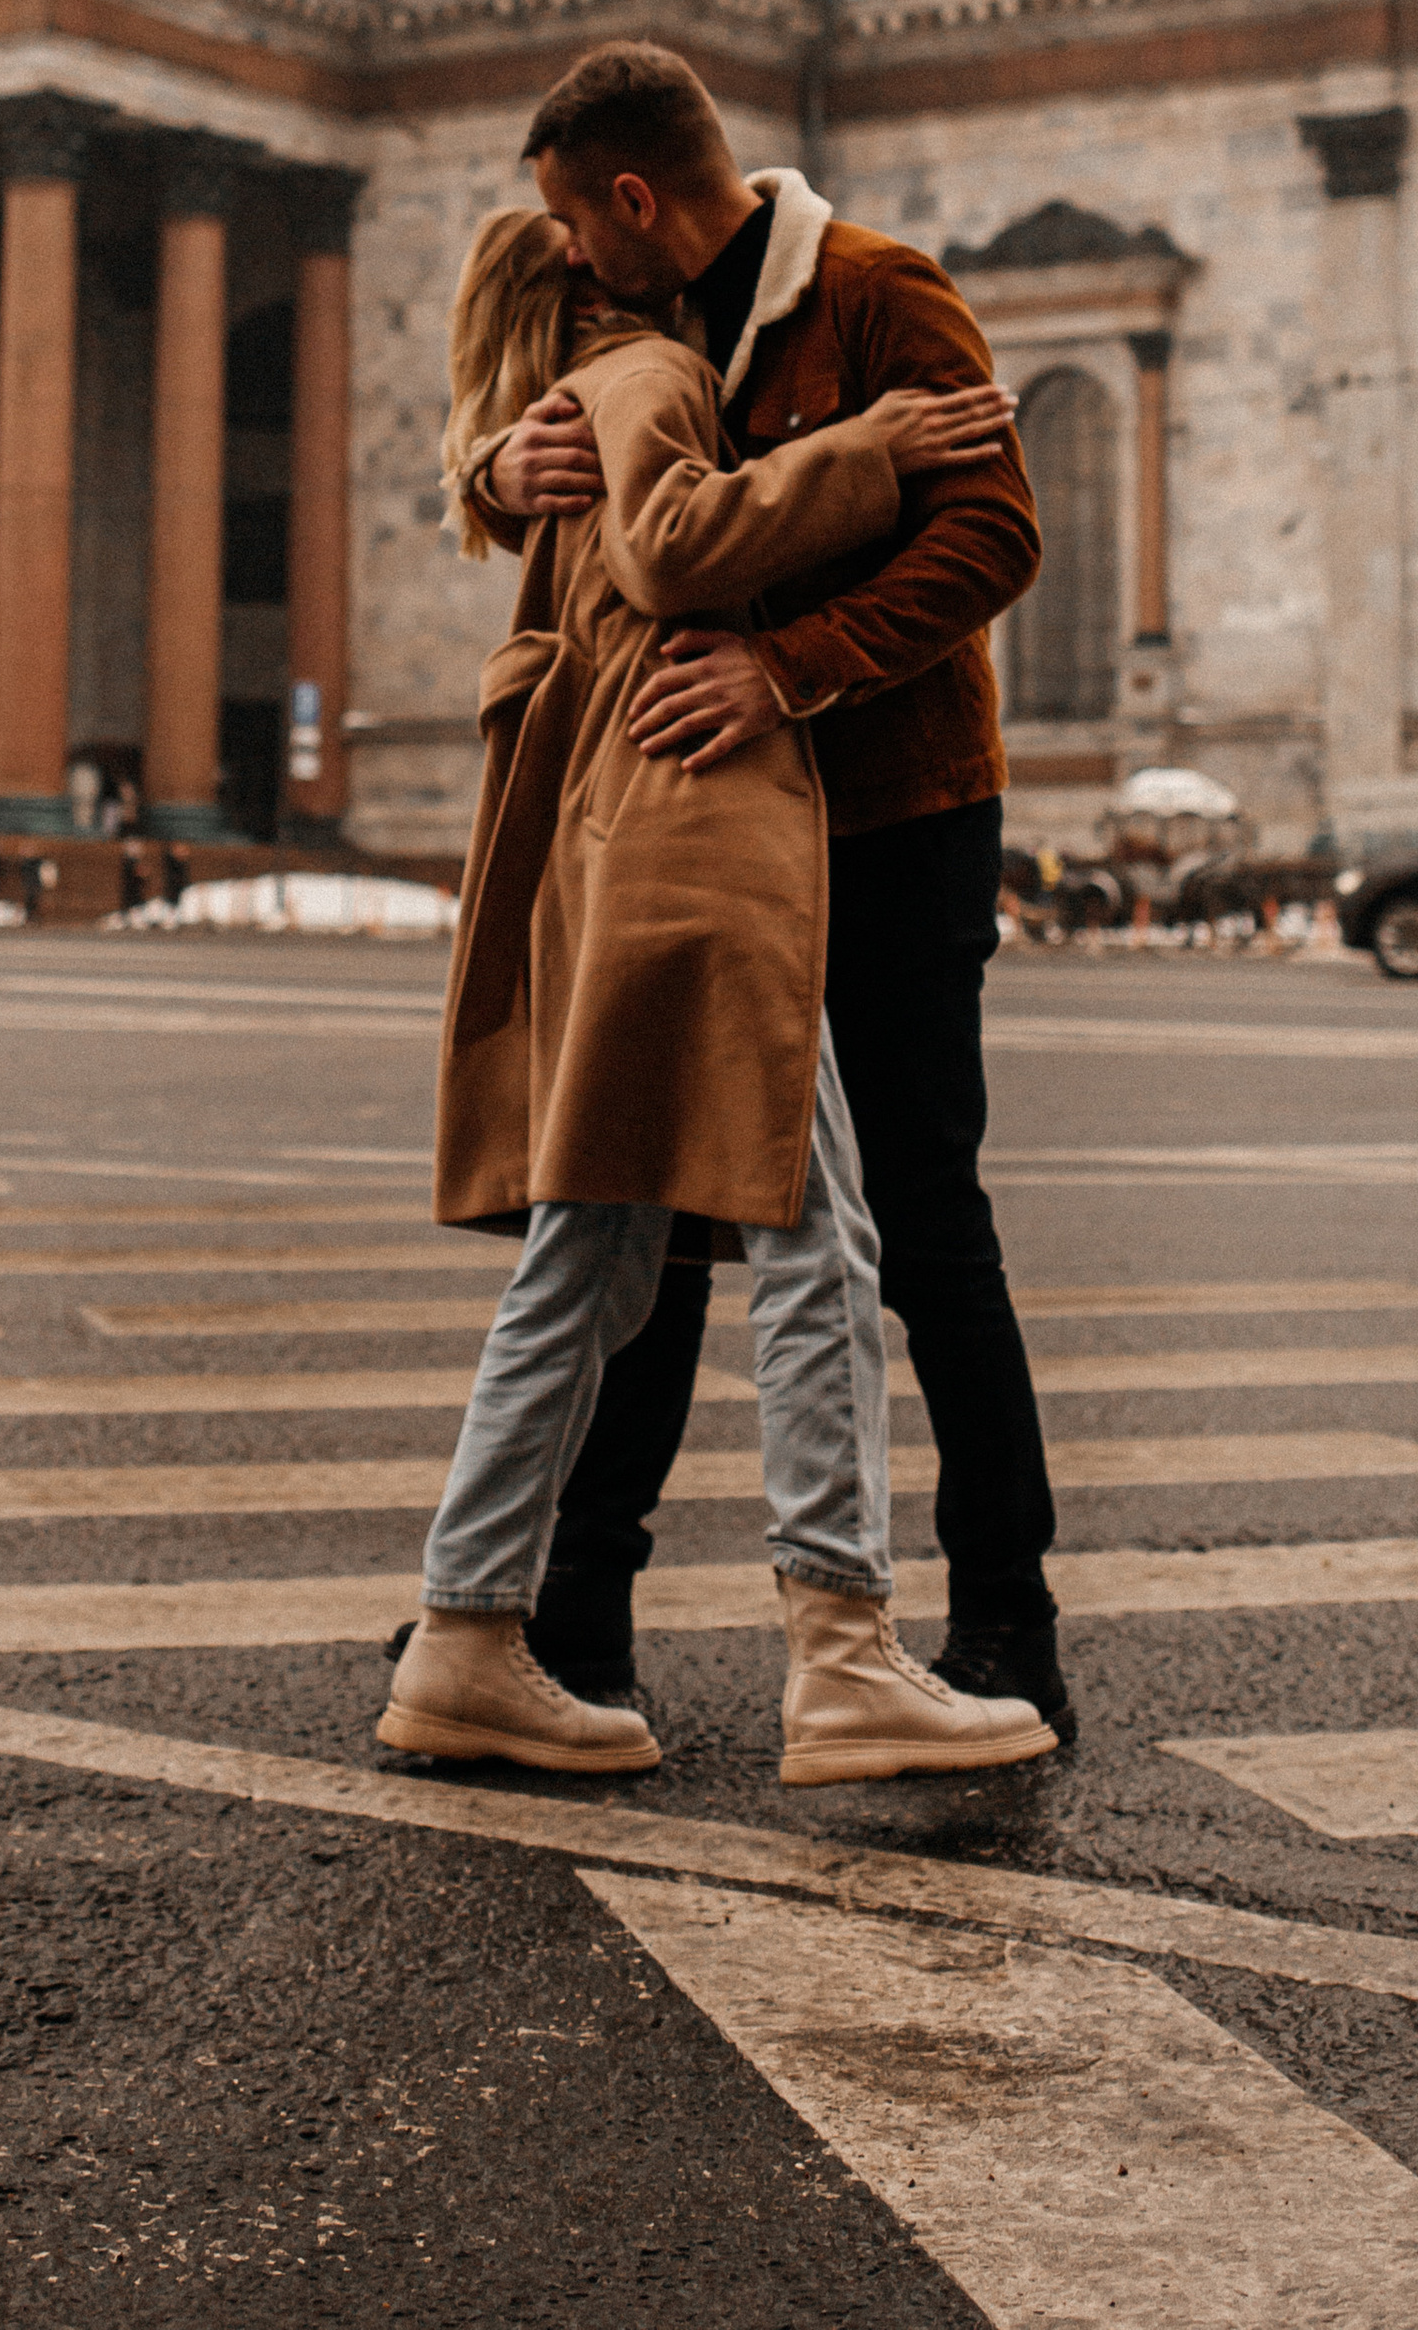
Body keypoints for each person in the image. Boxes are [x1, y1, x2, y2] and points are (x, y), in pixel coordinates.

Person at [377, 210, 1054, 1788]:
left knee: (617, 1254)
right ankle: (832, 1650)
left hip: (776, 823)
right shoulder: (648, 367)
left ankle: (483, 1632)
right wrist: (871, 449)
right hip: (706, 839)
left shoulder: (837, 298)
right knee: (813, 1242)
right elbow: (684, 541)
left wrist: (492, 465)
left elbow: (987, 533)